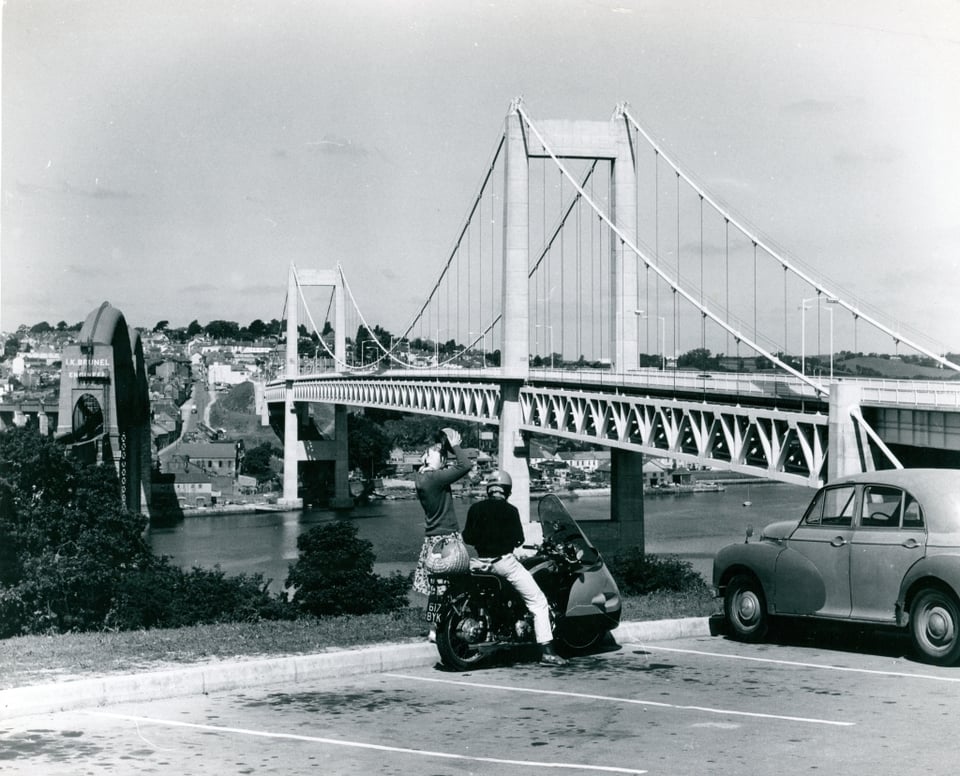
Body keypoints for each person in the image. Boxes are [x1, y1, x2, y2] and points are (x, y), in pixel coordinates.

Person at [461, 470, 568, 666]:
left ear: (489, 489)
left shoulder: (475, 509)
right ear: (507, 491)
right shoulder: (510, 511)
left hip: (480, 563)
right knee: (538, 602)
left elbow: (467, 537)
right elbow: (519, 539)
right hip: (504, 563)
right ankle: (547, 653)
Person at [412, 426, 472, 642]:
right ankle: (448, 627)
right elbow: (466, 465)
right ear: (429, 459)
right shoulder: (437, 478)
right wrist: (455, 445)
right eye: (437, 452)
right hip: (446, 538)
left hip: (431, 538)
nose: (440, 452)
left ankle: (434, 629)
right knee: (456, 585)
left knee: (437, 587)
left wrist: (440, 453)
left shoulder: (422, 478)